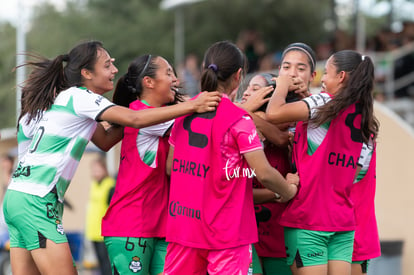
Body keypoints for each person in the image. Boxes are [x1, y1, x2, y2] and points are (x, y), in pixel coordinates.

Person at [3, 40, 221, 275]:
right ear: (86, 73)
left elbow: (106, 141)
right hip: (36, 201)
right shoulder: (79, 96)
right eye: (107, 65)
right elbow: (135, 120)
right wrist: (192, 106)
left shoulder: (66, 102)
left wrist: (145, 111)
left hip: (18, 198)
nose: (115, 71)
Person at [163, 40, 299, 275]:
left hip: (184, 229)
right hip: (227, 234)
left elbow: (170, 168)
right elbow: (264, 172)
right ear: (238, 76)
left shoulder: (184, 114)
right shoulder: (239, 120)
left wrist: (229, 171)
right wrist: (288, 190)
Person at [266, 50, 379, 275]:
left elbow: (274, 113)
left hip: (309, 219)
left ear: (342, 76)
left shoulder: (323, 101)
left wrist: (281, 84)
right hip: (343, 223)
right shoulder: (366, 119)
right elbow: (354, 173)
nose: (323, 79)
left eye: (327, 73)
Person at [101, 54, 182, 275]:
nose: (175, 79)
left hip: (160, 226)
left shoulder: (159, 116)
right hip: (131, 225)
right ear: (149, 82)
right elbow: (200, 118)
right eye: (168, 73)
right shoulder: (140, 113)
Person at [244, 42, 317, 275]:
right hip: (247, 233)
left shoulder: (317, 113)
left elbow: (283, 139)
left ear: (312, 75)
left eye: (300, 68)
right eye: (286, 67)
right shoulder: (259, 110)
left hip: (288, 233)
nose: (292, 73)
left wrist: (246, 114)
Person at [85, 156, 114, 275]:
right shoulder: (94, 184)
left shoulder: (110, 185)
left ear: (104, 169)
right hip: (93, 230)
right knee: (100, 263)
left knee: (107, 263)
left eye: (98, 169)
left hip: (104, 232)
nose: (95, 172)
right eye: (93, 169)